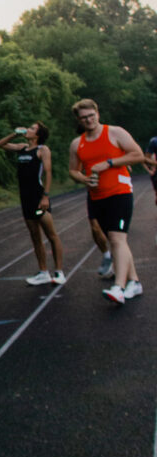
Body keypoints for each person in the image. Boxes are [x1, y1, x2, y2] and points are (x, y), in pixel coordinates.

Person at [69, 98, 145, 306]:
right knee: (115, 240)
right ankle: (134, 282)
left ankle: (118, 288)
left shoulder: (115, 132)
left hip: (120, 192)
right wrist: (84, 179)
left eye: (91, 115)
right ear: (79, 120)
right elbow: (73, 170)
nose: (88, 120)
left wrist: (110, 163)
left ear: (97, 113)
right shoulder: (78, 143)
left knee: (117, 238)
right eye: (84, 118)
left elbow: (138, 155)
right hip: (96, 197)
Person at [0, 121, 65, 285]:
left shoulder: (42, 150)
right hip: (25, 198)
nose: (28, 129)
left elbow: (48, 173)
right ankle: (43, 272)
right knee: (35, 236)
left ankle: (59, 272)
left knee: (51, 234)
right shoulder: (21, 148)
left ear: (38, 134)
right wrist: (15, 133)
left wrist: (45, 196)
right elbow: (0, 144)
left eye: (32, 128)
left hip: (38, 197)